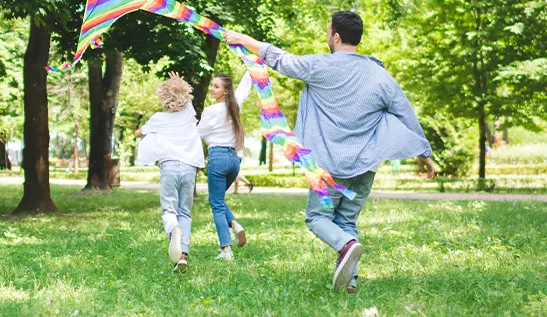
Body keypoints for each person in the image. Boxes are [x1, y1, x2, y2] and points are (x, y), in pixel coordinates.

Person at [224, 11, 437, 292]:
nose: (327, 36)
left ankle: (345, 245)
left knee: (318, 218)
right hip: (365, 166)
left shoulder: (320, 66)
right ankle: (350, 281)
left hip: (328, 167)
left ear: (336, 37)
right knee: (346, 219)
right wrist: (426, 154)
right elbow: (405, 114)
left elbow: (278, 58)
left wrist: (241, 39)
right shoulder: (380, 75)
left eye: (328, 32)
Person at [135, 72, 205, 273]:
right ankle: (182, 256)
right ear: (185, 96)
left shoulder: (158, 118)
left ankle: (173, 230)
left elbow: (139, 133)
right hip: (189, 168)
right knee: (185, 212)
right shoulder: (188, 113)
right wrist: (179, 82)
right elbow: (186, 97)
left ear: (162, 98)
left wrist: (144, 131)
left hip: (169, 168)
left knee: (169, 211)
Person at [197, 72, 252, 260]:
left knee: (217, 205)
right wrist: (253, 62)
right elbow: (245, 86)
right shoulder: (236, 104)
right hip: (234, 160)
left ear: (225, 92)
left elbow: (198, 134)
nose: (212, 89)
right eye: (212, 85)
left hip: (218, 158)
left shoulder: (210, 111)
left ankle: (226, 250)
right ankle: (235, 225)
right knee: (217, 199)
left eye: (216, 86)